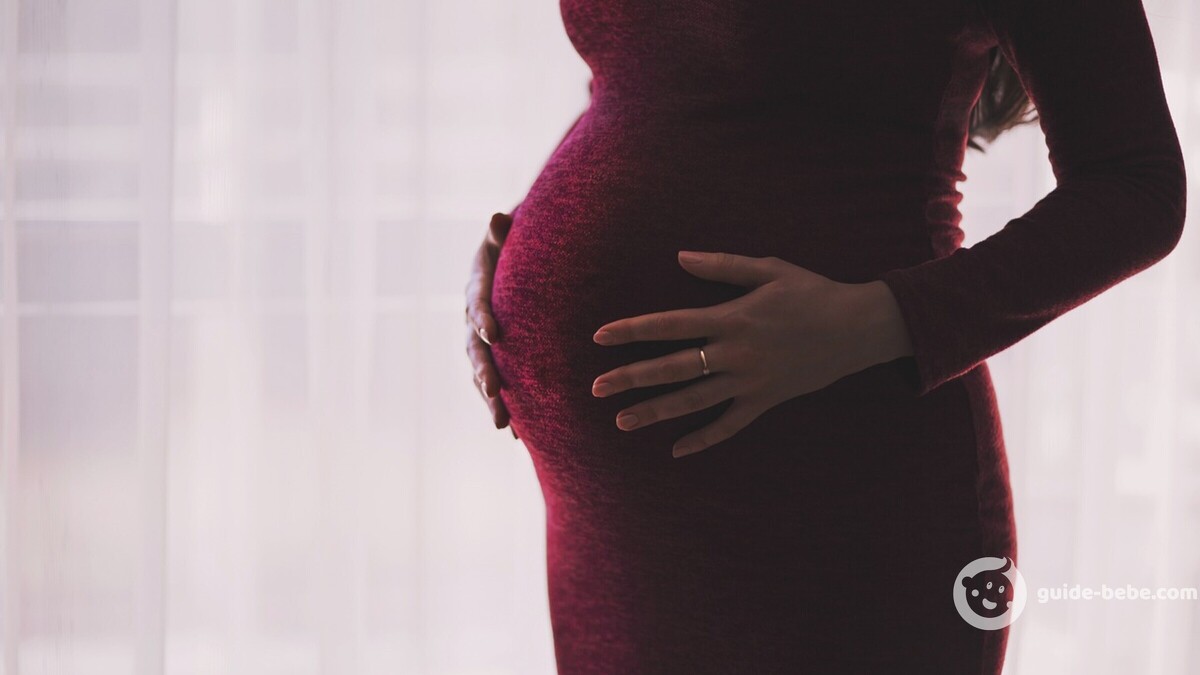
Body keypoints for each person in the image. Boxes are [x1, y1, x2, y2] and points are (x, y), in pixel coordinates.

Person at [463, 0, 1186, 672]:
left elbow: (1138, 186)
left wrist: (873, 320)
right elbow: (641, 85)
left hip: (830, 501)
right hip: (612, 537)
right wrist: (523, 239)